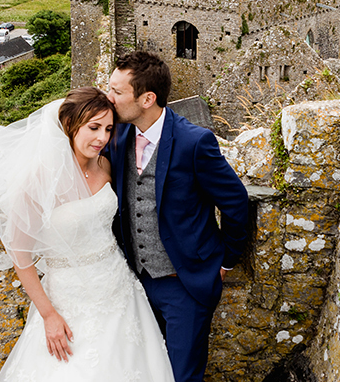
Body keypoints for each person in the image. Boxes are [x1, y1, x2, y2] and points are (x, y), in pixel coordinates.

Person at [0, 88, 175, 381]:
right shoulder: (38, 181)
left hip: (118, 289)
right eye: (93, 127)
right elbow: (20, 256)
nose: (102, 137)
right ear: (70, 126)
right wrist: (49, 315)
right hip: (68, 297)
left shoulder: (105, 166)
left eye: (108, 128)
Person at [106, 52, 249, 382]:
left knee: (182, 375)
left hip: (184, 284)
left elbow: (235, 201)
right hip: (136, 281)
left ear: (147, 98)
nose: (108, 98)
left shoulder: (194, 141)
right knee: (143, 370)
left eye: (116, 91)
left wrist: (227, 260)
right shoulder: (117, 135)